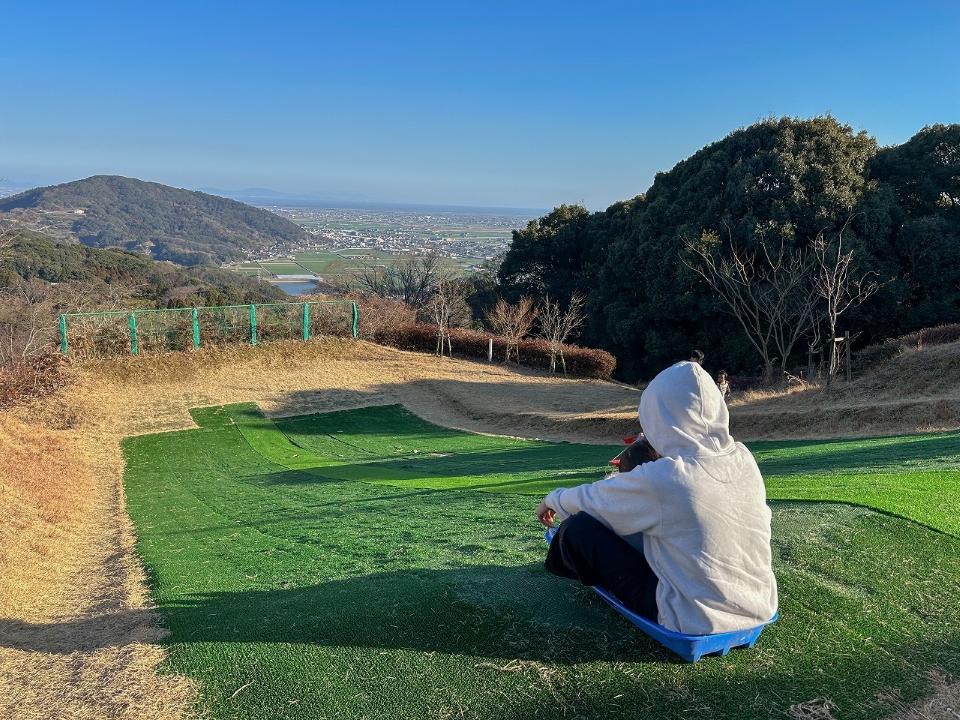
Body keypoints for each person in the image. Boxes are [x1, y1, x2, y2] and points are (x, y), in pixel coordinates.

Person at [536, 360, 778, 634]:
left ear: (658, 417)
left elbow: (595, 500)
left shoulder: (670, 476)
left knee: (577, 529)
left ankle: (560, 565)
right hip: (760, 605)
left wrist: (553, 499)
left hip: (693, 616)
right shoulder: (744, 458)